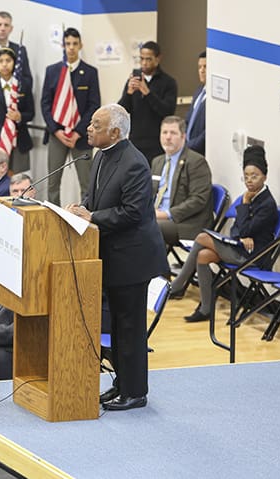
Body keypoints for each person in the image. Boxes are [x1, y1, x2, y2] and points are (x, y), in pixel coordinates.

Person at [67, 103, 169, 411]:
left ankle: (135, 392)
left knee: (130, 328)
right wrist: (80, 209)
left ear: (114, 132)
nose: (89, 128)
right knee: (119, 326)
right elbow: (93, 197)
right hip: (111, 257)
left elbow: (133, 213)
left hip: (132, 260)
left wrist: (92, 215)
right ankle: (121, 384)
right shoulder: (100, 155)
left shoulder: (135, 163)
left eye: (96, 125)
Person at [170, 145, 278, 322]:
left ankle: (178, 284)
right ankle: (205, 309)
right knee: (203, 256)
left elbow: (242, 229)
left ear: (265, 177)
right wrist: (244, 235)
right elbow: (237, 229)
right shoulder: (250, 195)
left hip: (254, 255)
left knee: (202, 237)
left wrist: (244, 205)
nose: (249, 180)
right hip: (240, 247)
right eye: (247, 176)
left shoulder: (266, 203)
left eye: (255, 176)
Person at [41, 27, 100, 203]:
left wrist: (78, 132)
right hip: (57, 135)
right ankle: (53, 219)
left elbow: (94, 105)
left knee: (87, 184)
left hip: (81, 136)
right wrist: (57, 131)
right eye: (68, 44)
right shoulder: (53, 71)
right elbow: (45, 104)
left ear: (80, 45)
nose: (71, 47)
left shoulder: (90, 72)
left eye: (75, 43)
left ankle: (86, 220)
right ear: (63, 45)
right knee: (52, 183)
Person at [151, 116, 213, 246]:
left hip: (186, 223)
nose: (168, 137)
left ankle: (152, 266)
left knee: (148, 228)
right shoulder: (157, 161)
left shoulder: (196, 162)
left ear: (183, 137)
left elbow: (198, 200)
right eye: (164, 132)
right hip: (156, 216)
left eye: (173, 133)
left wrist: (166, 214)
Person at [118, 41, 177, 163]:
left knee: (155, 179)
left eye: (148, 59)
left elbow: (167, 111)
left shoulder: (168, 82)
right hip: (135, 141)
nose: (144, 63)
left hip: (157, 143)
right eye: (142, 59)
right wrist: (129, 93)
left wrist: (148, 93)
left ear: (158, 59)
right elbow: (122, 110)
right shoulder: (134, 79)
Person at [185, 51, 207, 155]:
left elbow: (207, 133)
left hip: (200, 152)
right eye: (199, 67)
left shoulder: (213, 99)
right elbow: (188, 119)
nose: (202, 70)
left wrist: (189, 146)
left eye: (205, 67)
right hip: (188, 148)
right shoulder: (199, 91)